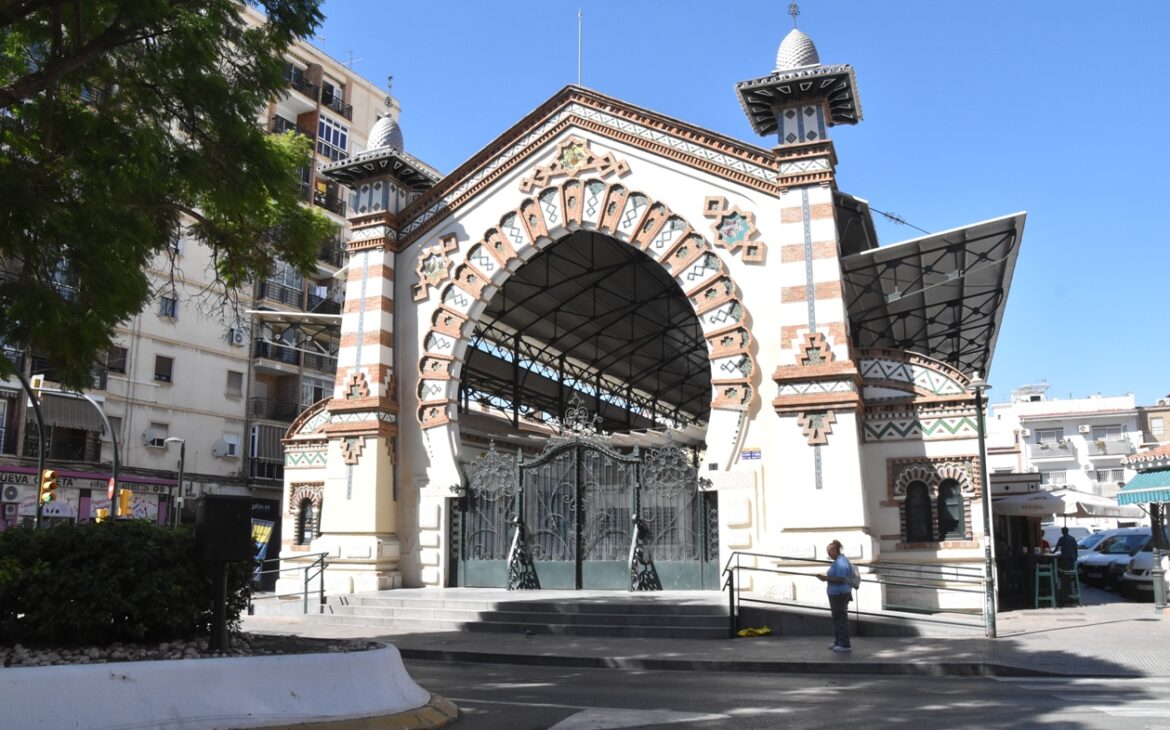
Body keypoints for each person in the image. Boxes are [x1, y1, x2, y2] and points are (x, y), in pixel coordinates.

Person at [817, 539, 853, 652]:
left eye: (830, 551)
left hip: (839, 594)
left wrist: (825, 578)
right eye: (828, 552)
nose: (829, 554)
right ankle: (839, 641)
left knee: (841, 618)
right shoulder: (838, 561)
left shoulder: (841, 561)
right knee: (838, 618)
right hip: (836, 593)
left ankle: (844, 644)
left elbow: (841, 579)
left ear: (836, 550)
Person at [1055, 526, 1079, 606]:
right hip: (1072, 560)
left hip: (1065, 560)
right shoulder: (1072, 538)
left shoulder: (1062, 538)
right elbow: (1076, 549)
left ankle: (1064, 597)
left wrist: (1052, 552)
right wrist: (1076, 558)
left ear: (1063, 531)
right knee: (1068, 578)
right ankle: (1069, 595)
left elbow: (1056, 548)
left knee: (1064, 578)